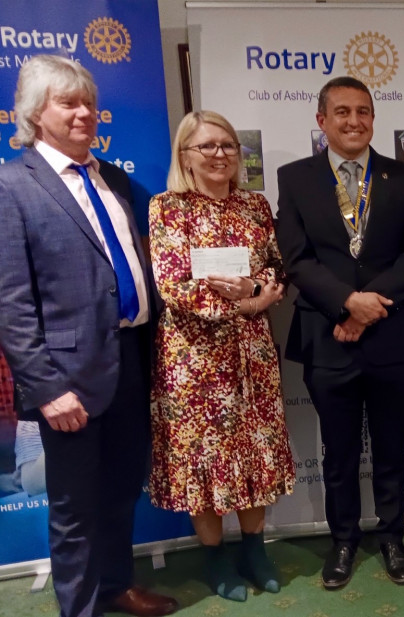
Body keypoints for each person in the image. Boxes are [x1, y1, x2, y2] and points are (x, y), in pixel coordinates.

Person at [0, 55, 178, 617]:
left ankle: (116, 587)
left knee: (123, 487)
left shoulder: (115, 179)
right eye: (66, 103)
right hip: (67, 379)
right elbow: (11, 302)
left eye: (87, 103)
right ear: (34, 112)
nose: (83, 114)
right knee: (76, 509)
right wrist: (47, 388)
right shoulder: (11, 185)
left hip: (131, 359)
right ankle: (80, 610)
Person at [276, 76, 404, 588]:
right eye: (342, 111)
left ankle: (392, 538)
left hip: (392, 338)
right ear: (322, 120)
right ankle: (343, 541)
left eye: (363, 111)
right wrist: (346, 303)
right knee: (338, 453)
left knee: (390, 448)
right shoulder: (295, 178)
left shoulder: (403, 178)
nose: (354, 121)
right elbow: (296, 259)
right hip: (328, 337)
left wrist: (367, 308)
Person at [147, 110, 294, 601]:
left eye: (228, 145)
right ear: (184, 155)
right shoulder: (166, 208)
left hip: (251, 357)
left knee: (255, 453)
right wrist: (248, 303)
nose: (219, 155)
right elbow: (173, 286)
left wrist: (257, 290)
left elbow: (277, 271)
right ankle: (215, 558)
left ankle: (255, 550)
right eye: (206, 146)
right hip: (192, 362)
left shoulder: (255, 206)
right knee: (204, 462)